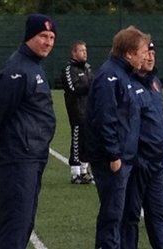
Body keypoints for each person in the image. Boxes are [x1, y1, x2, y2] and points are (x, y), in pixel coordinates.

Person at [0, 14, 57, 249]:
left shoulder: (32, 66)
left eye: (51, 37)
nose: (48, 42)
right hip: (19, 156)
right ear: (30, 36)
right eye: (43, 36)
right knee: (16, 225)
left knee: (24, 223)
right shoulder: (19, 69)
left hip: (32, 154)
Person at [86, 26, 150, 249]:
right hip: (113, 160)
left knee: (123, 214)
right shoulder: (109, 76)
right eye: (142, 50)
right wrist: (114, 154)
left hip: (125, 157)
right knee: (112, 216)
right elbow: (105, 118)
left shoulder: (124, 74)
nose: (146, 54)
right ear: (129, 53)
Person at [120, 42, 163, 249]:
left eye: (153, 53)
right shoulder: (127, 84)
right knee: (130, 216)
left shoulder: (155, 82)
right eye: (146, 53)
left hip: (159, 162)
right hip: (138, 163)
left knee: (158, 215)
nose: (150, 57)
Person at [60, 40, 94, 184]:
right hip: (76, 110)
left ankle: (85, 170)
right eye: (81, 50)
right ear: (74, 53)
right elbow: (73, 88)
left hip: (89, 109)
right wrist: (88, 85)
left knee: (88, 140)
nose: (84, 53)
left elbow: (93, 84)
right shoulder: (69, 69)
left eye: (85, 50)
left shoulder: (87, 68)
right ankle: (75, 173)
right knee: (77, 139)